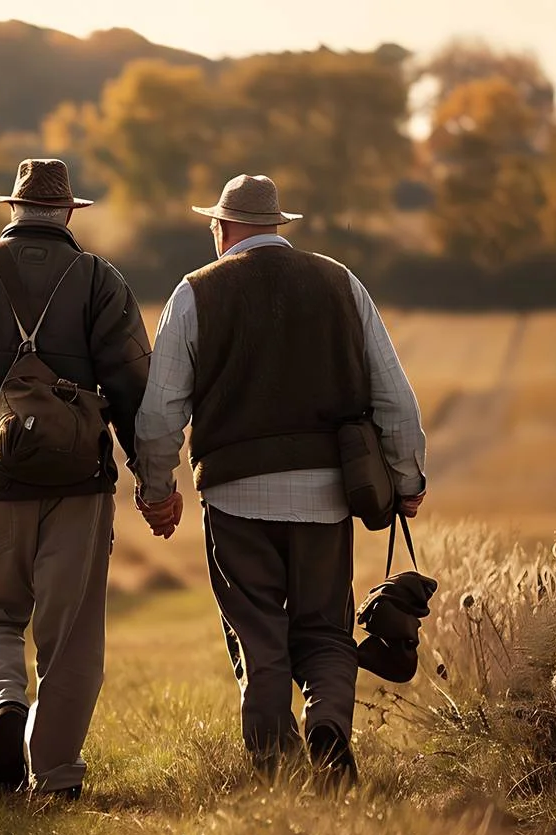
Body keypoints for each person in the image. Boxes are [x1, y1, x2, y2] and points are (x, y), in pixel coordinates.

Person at [133, 174, 427, 786]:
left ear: (222, 228)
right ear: (276, 227)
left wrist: (157, 489)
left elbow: (161, 412)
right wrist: (407, 477)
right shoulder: (341, 284)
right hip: (327, 494)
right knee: (324, 626)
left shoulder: (194, 294)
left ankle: (273, 765)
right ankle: (328, 724)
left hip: (236, 495)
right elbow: (394, 396)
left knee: (257, 628)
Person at [0, 159, 153, 799]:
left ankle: (0, 707)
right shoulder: (101, 280)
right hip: (79, 484)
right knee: (70, 636)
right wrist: (152, 477)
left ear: (13, 209)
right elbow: (132, 386)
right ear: (71, 213)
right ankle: (57, 777)